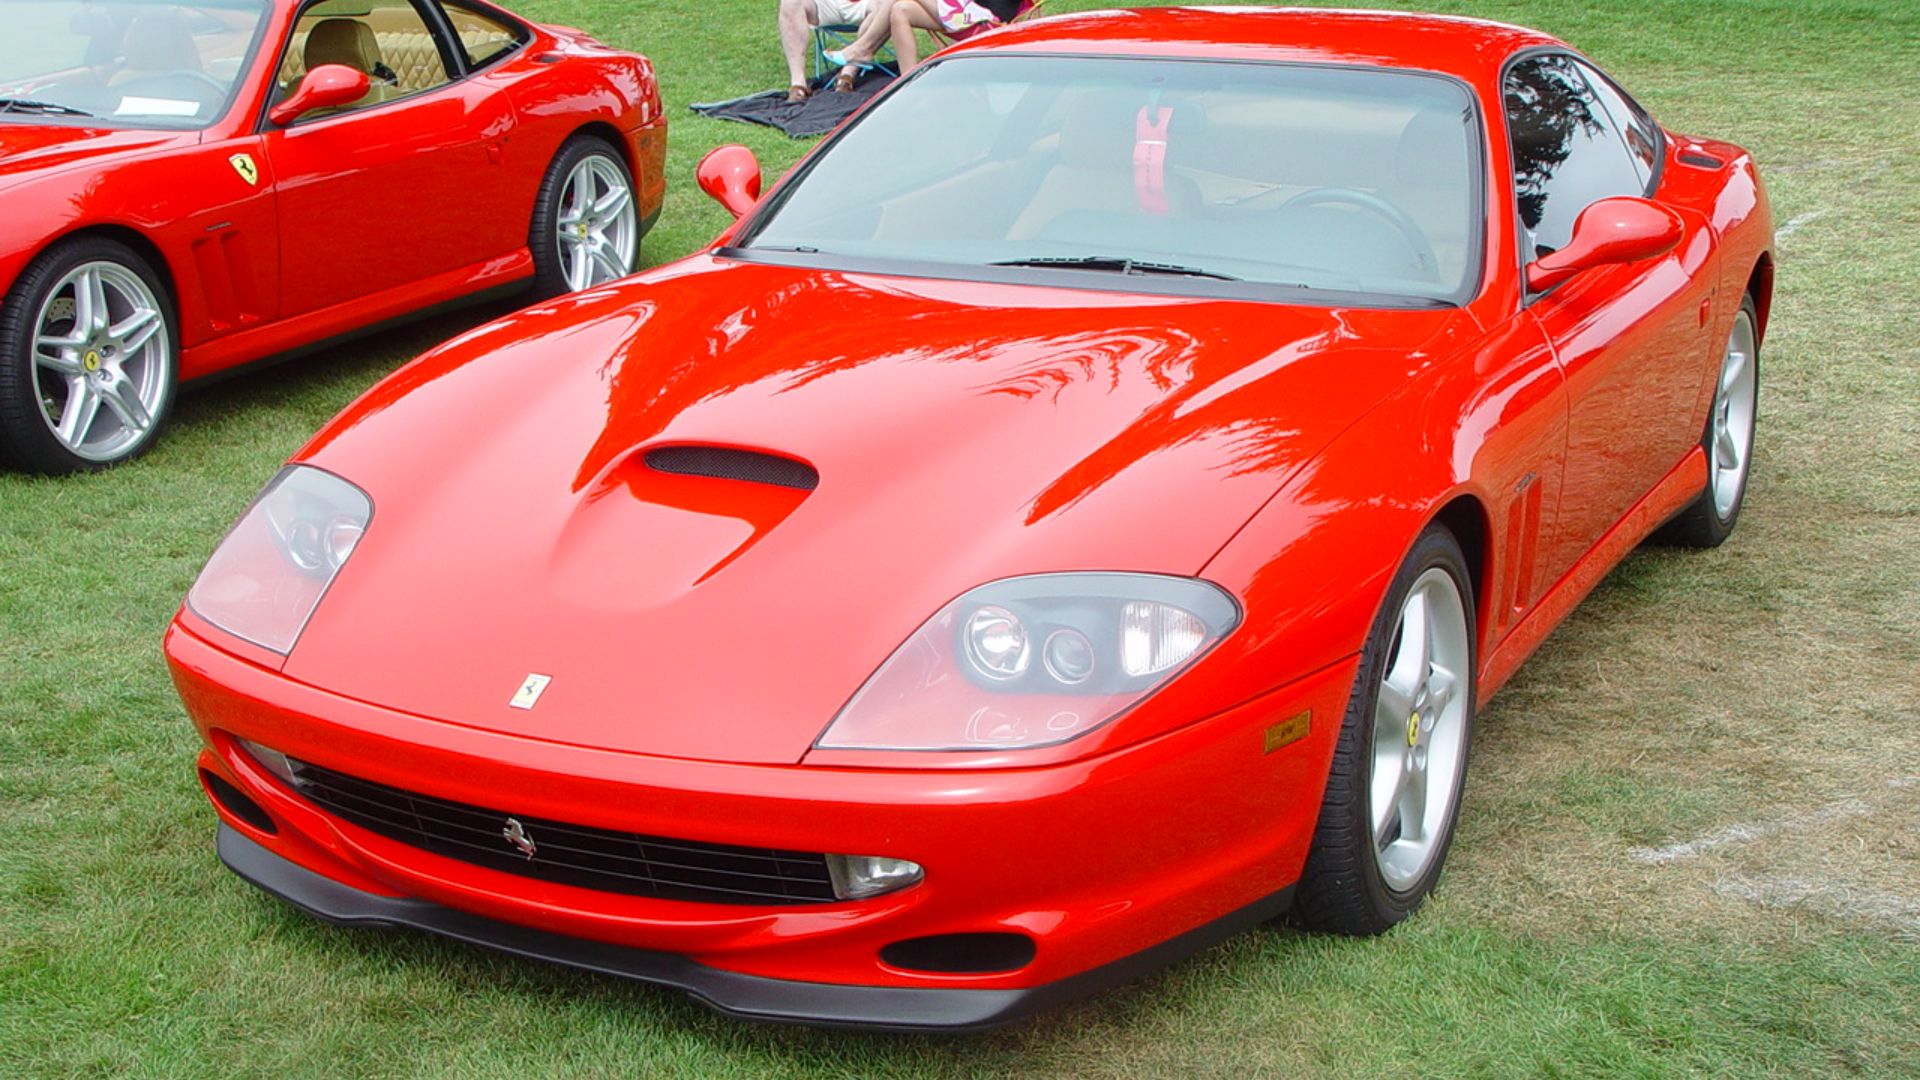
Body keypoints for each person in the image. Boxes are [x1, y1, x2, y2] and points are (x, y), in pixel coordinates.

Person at [827, 0, 1021, 89]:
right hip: (960, 9)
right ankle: (909, 82)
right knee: (900, 9)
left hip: (983, 16)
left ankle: (863, 49)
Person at [778, 0, 875, 102]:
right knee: (790, 2)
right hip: (829, 3)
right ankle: (798, 85)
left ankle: (847, 74)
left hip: (869, 5)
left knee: (884, 7)